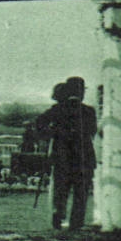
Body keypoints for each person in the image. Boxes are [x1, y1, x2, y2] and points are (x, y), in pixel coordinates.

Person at [39, 77, 98, 233]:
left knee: (61, 190)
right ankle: (76, 223)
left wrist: (52, 133)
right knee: (81, 193)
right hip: (84, 158)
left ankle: (58, 217)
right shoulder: (89, 111)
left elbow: (39, 125)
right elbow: (92, 131)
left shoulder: (57, 109)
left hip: (62, 157)